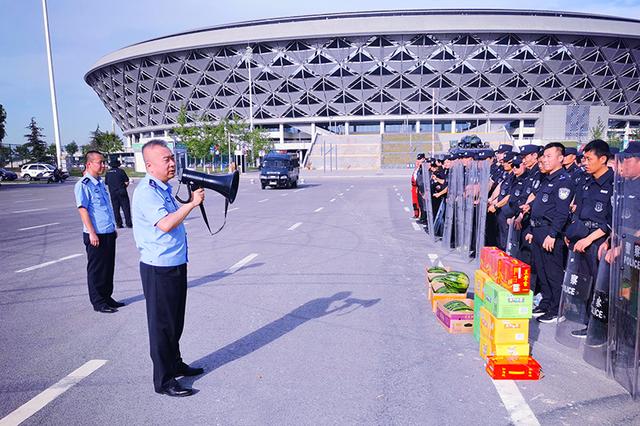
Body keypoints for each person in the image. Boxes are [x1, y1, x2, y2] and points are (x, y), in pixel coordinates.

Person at [132, 139, 205, 397]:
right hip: (158, 267)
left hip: (174, 263)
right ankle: (163, 380)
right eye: (166, 159)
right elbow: (165, 224)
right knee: (162, 325)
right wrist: (191, 204)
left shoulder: (162, 189)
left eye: (172, 158)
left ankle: (175, 364)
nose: (172, 163)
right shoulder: (147, 192)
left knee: (175, 321)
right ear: (149, 164)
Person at [564, 139, 613, 337]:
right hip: (581, 237)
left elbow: (610, 220)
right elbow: (578, 211)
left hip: (597, 241)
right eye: (583, 158)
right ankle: (588, 323)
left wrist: (589, 240)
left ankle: (601, 328)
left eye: (588, 158)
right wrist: (572, 234)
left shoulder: (612, 183)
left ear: (603, 159)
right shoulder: (586, 180)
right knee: (585, 282)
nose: (584, 162)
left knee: (599, 286)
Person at [525, 143, 575, 323]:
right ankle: (546, 303)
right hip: (538, 229)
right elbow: (538, 206)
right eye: (543, 156)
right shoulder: (546, 178)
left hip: (549, 232)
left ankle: (557, 309)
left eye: (548, 156)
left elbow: (562, 213)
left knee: (553, 271)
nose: (544, 160)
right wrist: (531, 229)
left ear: (560, 158)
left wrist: (553, 234)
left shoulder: (564, 180)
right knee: (541, 269)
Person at [74, 151, 124, 313]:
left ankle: (107, 297)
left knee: (108, 268)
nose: (103, 165)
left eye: (104, 163)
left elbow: (105, 208)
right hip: (95, 234)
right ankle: (98, 302)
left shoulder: (100, 183)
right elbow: (83, 210)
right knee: (97, 270)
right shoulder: (84, 184)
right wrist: (92, 233)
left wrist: (112, 227)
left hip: (107, 231)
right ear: (89, 164)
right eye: (100, 162)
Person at [105, 160, 133, 228]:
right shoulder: (121, 171)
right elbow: (126, 181)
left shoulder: (108, 173)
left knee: (116, 209)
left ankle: (119, 224)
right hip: (122, 191)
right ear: (118, 164)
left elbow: (106, 183)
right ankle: (128, 223)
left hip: (113, 193)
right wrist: (123, 187)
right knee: (126, 208)